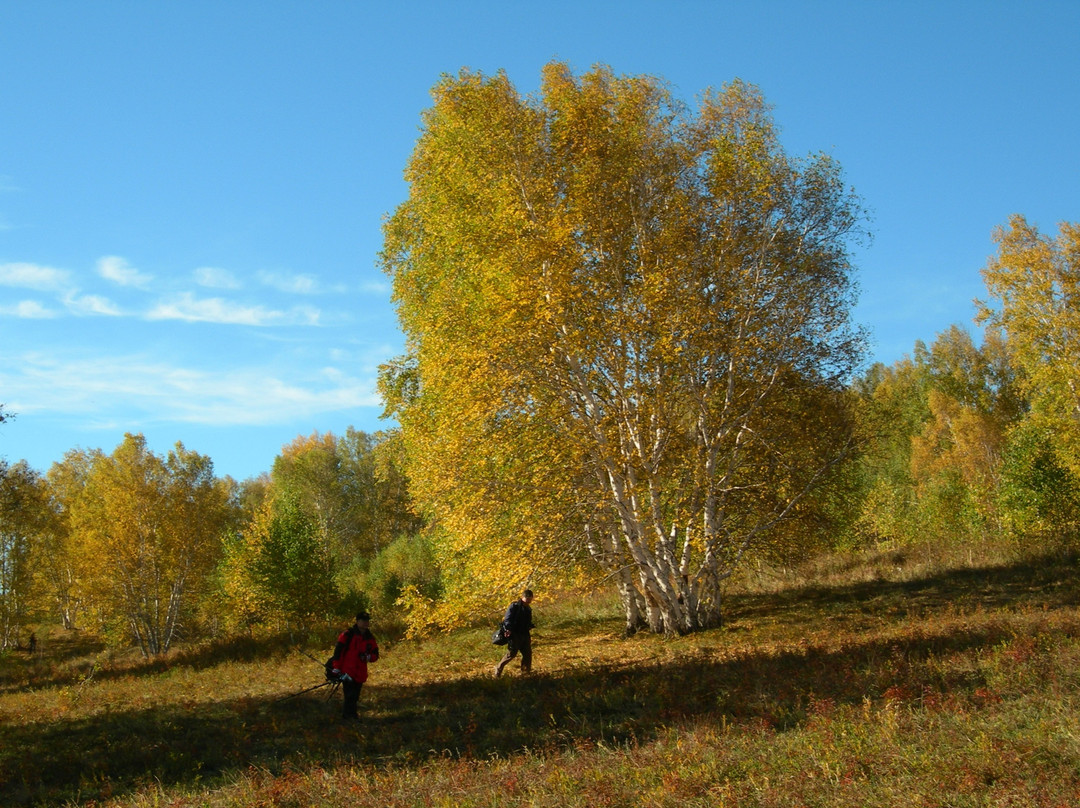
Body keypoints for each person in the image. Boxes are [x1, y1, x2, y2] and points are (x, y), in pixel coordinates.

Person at [328, 611, 379, 720]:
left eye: (367, 621)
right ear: (357, 621)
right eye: (363, 620)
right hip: (347, 670)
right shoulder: (347, 634)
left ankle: (352, 716)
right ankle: (348, 717)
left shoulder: (370, 637)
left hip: (360, 672)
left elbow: (375, 654)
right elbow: (338, 652)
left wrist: (368, 657)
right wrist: (336, 667)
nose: (366, 623)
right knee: (350, 695)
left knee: (355, 696)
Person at [495, 589, 535, 677]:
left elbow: (527, 621)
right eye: (527, 598)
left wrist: (530, 626)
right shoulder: (514, 606)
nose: (529, 600)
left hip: (525, 634)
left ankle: (525, 674)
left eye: (530, 599)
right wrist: (508, 630)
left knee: (527, 654)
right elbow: (507, 619)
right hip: (514, 634)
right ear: (522, 597)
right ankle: (498, 668)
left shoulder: (528, 608)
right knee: (512, 654)